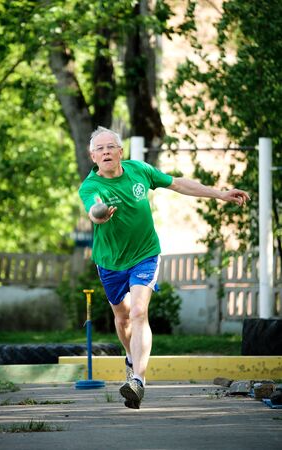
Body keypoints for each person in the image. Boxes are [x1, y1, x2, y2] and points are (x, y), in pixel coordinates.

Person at [78, 126, 250, 409]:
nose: (106, 151)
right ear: (92, 156)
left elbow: (179, 183)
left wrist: (219, 194)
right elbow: (93, 209)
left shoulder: (140, 171)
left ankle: (138, 381)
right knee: (122, 319)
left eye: (111, 147)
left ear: (121, 152)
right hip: (109, 262)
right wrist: (100, 213)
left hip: (146, 254)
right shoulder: (90, 185)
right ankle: (131, 359)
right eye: (100, 149)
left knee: (138, 311)